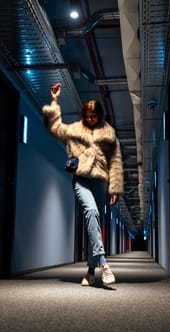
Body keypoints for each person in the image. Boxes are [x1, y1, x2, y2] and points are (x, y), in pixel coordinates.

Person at [42, 83, 124, 286]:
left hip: (100, 181)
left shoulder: (109, 134)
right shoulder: (76, 129)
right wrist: (55, 101)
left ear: (99, 116)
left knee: (93, 223)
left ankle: (89, 271)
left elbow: (115, 161)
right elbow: (55, 128)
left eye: (93, 116)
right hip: (81, 180)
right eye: (87, 116)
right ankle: (103, 264)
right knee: (92, 213)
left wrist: (115, 187)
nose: (90, 119)